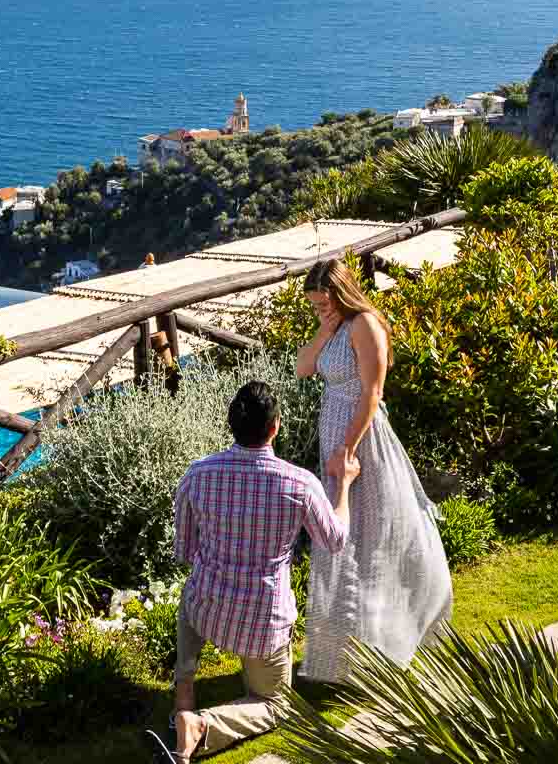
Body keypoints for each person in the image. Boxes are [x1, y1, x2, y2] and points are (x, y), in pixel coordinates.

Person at [164, 380, 360, 763]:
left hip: (206, 609)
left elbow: (185, 551)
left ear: (231, 424)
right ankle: (204, 726)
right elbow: (335, 540)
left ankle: (182, 699)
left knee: (190, 598)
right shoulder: (299, 484)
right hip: (261, 623)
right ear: (276, 427)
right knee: (275, 705)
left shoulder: (197, 474)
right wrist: (345, 486)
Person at [297, 258, 453, 683]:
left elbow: (372, 393)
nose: (320, 310)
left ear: (342, 293)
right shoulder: (333, 329)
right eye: (314, 306)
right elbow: (303, 368)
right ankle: (344, 653)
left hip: (360, 441)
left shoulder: (366, 325)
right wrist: (324, 327)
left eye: (324, 304)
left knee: (370, 540)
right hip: (334, 438)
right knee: (342, 542)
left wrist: (347, 449)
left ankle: (381, 642)